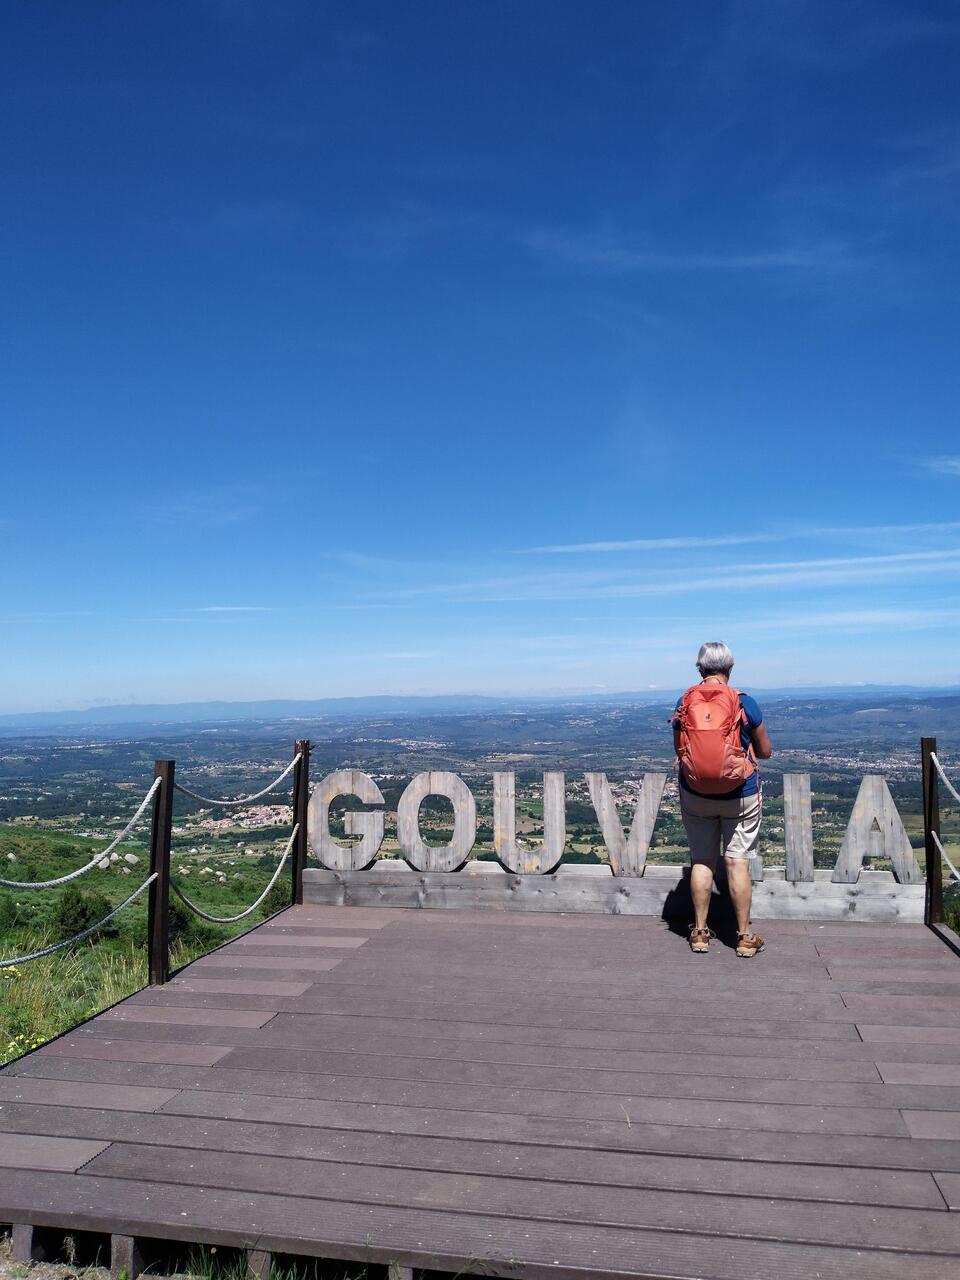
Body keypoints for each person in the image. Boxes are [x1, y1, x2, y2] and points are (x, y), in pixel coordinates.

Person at [671, 642, 772, 957]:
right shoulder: (744, 702)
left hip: (696, 793)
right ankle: (743, 938)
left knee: (702, 860)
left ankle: (700, 933)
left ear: (699, 668)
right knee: (736, 861)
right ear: (730, 667)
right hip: (740, 795)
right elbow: (765, 751)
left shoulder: (685, 701)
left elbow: (680, 750)